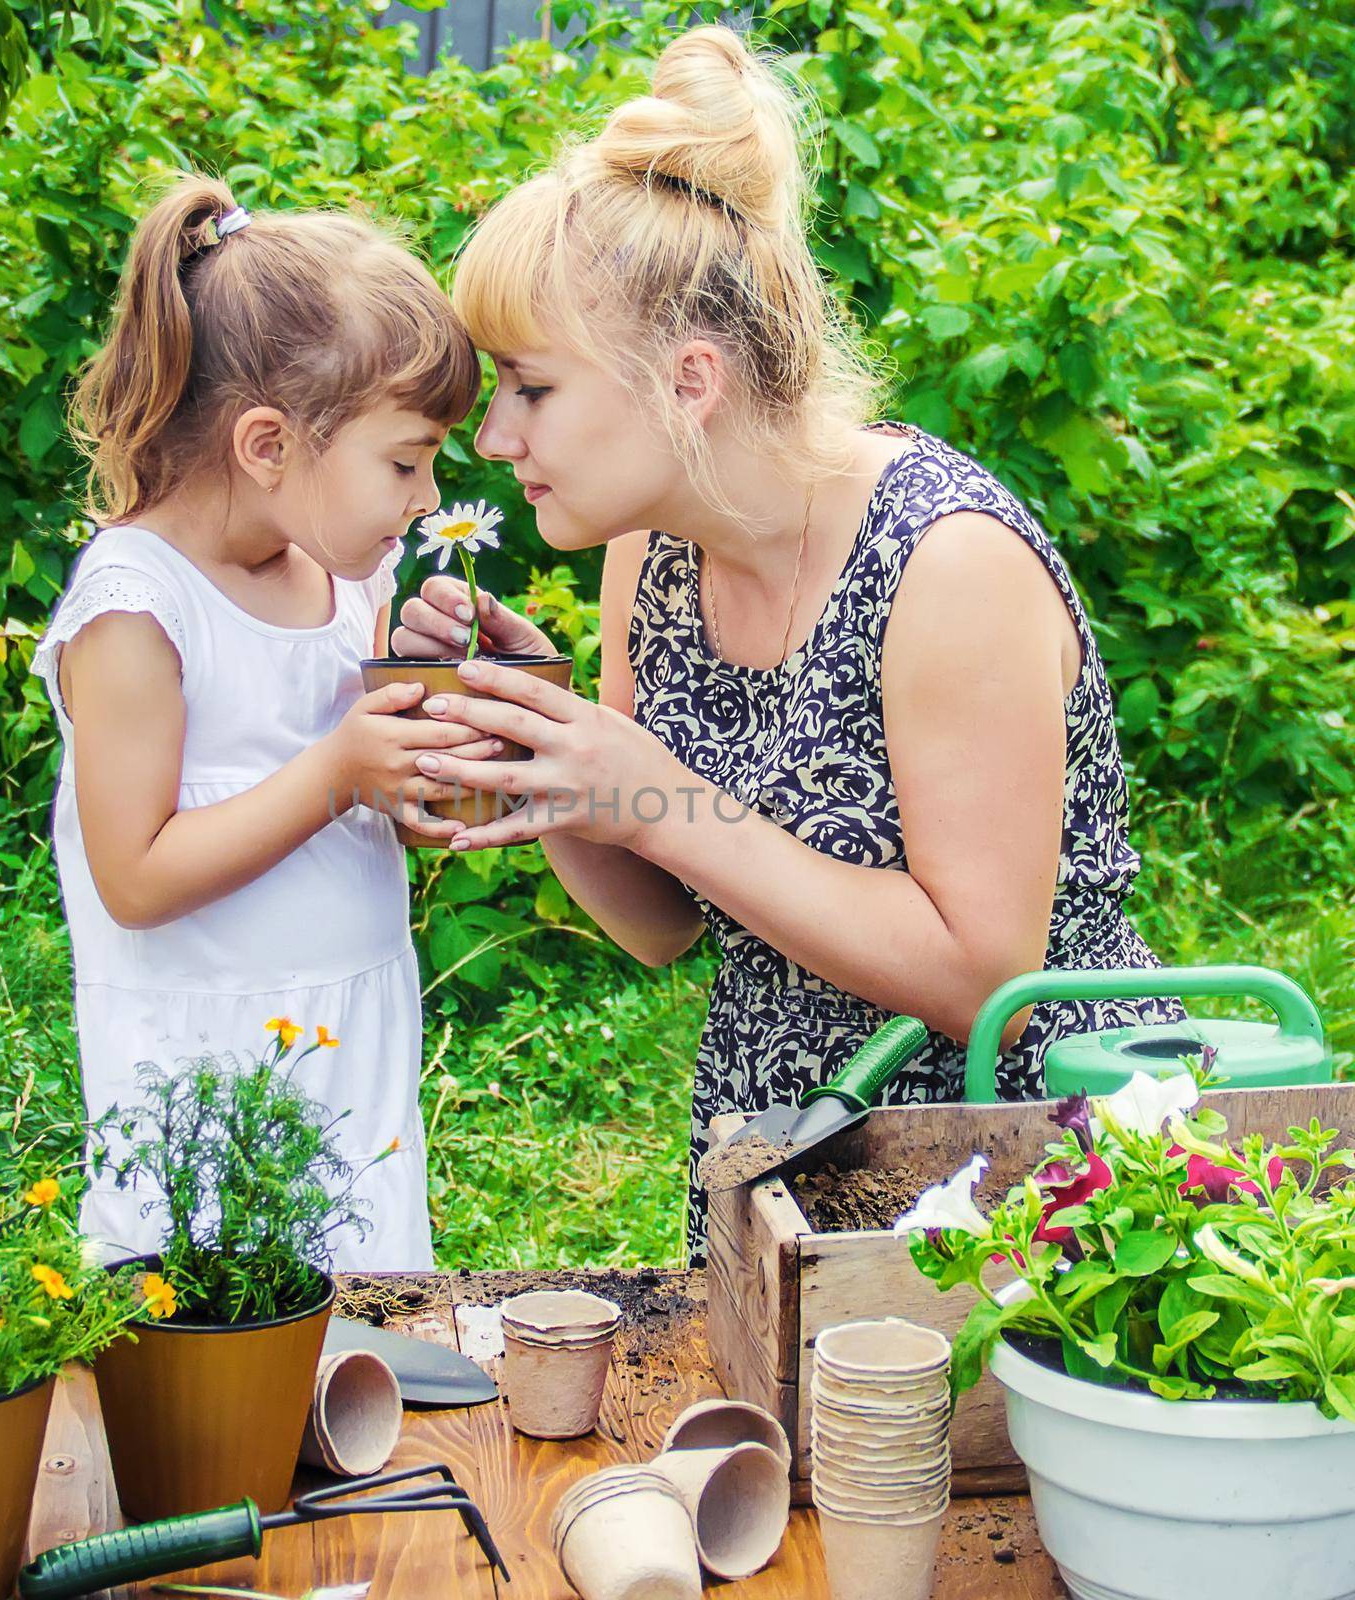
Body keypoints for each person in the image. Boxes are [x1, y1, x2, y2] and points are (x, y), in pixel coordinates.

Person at [390, 26, 1185, 1264]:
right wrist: (538, 748)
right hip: (779, 1159)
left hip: (1030, 1172)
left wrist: (645, 795)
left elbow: (982, 974)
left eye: (530, 386)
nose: (493, 437)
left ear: (689, 379)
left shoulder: (945, 561)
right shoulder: (648, 552)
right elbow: (664, 923)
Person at [30, 174, 497, 1269]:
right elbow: (135, 878)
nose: (426, 499)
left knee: (358, 1327)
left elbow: (369, 822)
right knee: (208, 1361)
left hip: (350, 1053)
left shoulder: (339, 588)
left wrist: (418, 747)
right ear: (267, 445)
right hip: (203, 1073)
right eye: (403, 461)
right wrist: (340, 767)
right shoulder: (136, 606)